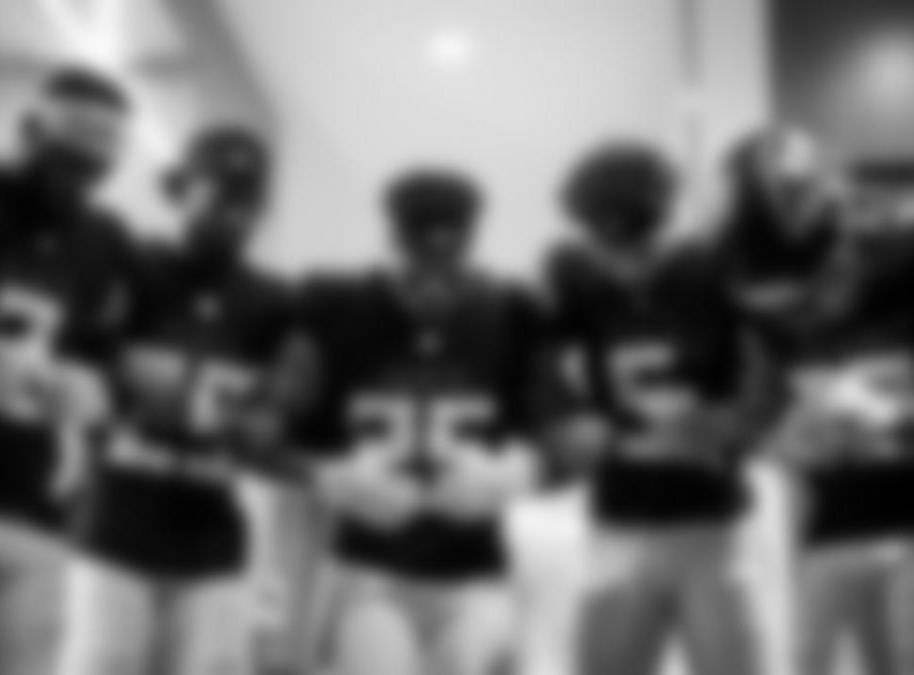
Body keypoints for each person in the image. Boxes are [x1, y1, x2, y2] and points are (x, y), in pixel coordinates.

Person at [290, 167, 570, 675]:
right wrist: (324, 475)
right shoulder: (334, 305)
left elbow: (579, 439)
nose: (434, 284)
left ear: (471, 244)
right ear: (394, 242)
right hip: (367, 570)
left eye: (450, 262)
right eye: (420, 260)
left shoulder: (516, 311)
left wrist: (522, 473)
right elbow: (256, 430)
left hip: (478, 571)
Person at [56, 125, 297, 675]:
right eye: (222, 197)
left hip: (213, 537)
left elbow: (277, 420)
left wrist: (267, 423)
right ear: (180, 188)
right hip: (114, 526)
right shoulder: (129, 268)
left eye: (250, 203)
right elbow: (72, 371)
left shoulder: (275, 303)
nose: (236, 216)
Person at [721, 126, 914, 675]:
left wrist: (906, 416)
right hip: (840, 521)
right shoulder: (763, 302)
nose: (801, 314)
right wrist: (784, 441)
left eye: (812, 294)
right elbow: (759, 419)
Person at [0, 66, 135, 675]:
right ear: (29, 130)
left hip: (32, 513)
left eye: (97, 167)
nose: (81, 181)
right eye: (68, 160)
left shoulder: (106, 241)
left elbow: (104, 368)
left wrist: (91, 394)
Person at [545, 140, 763, 675]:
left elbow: (770, 375)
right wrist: (566, 421)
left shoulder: (714, 268)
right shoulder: (570, 275)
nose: (626, 261)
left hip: (710, 515)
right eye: (608, 243)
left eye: (638, 240)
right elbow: (538, 373)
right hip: (619, 514)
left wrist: (739, 420)